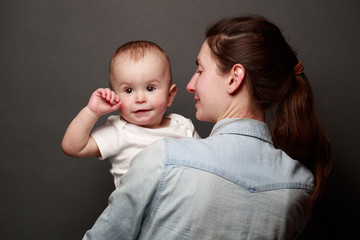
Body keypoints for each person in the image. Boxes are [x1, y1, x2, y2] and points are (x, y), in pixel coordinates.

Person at [82, 16, 332, 239]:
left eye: (200, 70)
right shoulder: (301, 185)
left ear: (235, 78)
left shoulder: (163, 158)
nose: (190, 85)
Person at [62, 41, 200, 188]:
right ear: (115, 97)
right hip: (139, 209)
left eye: (150, 88)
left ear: (170, 95)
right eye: (128, 90)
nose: (140, 99)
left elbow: (206, 166)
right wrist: (92, 112)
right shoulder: (119, 131)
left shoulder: (183, 126)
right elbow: (73, 147)